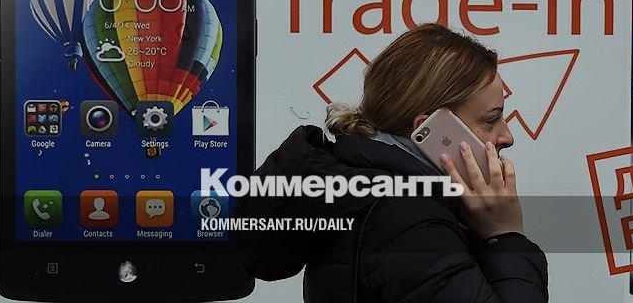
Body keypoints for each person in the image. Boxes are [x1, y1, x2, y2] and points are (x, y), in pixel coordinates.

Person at [232, 23, 548, 302]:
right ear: (431, 129)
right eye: (492, 119)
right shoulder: (409, 221)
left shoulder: (375, 196)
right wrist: (505, 234)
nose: (507, 137)